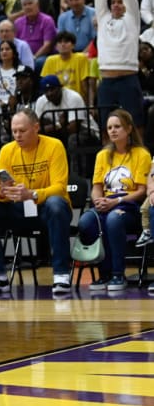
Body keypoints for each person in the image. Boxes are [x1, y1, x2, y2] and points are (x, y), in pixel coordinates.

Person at [0, 108, 73, 297]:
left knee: (56, 203)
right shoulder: (6, 150)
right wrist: (3, 193)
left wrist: (32, 194)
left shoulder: (54, 145)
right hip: (18, 210)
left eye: (22, 130)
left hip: (46, 210)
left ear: (36, 127)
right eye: (14, 131)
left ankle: (61, 274)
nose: (17, 135)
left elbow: (60, 187)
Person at [78, 109, 148, 292]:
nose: (113, 131)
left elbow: (142, 191)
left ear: (129, 129)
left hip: (130, 205)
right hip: (105, 202)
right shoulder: (102, 155)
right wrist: (98, 201)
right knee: (86, 222)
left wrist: (116, 203)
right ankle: (104, 274)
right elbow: (96, 186)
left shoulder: (141, 154)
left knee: (113, 219)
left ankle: (118, 274)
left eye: (117, 126)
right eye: (109, 127)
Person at [92, 0, 144, 131]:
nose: (116, 5)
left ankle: (140, 155)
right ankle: (107, 156)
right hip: (106, 81)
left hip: (128, 79)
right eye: (113, 2)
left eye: (120, 2)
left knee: (136, 124)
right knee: (105, 126)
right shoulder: (103, 18)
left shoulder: (132, 18)